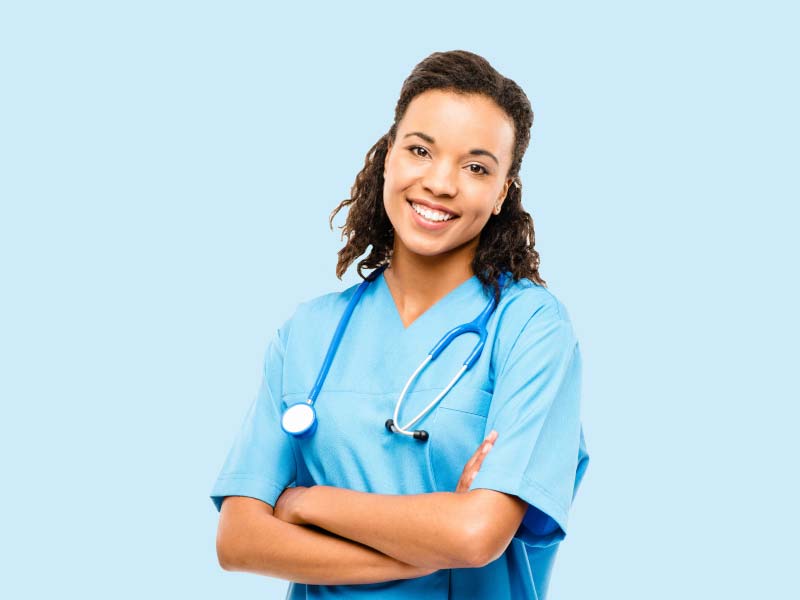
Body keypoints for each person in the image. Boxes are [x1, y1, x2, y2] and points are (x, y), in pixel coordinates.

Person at [209, 49, 590, 599]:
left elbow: (475, 535)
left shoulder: (531, 327)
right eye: (420, 150)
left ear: (502, 192)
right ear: (388, 156)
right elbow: (239, 541)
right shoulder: (309, 332)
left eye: (476, 167)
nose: (441, 182)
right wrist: (431, 542)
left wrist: (306, 502)